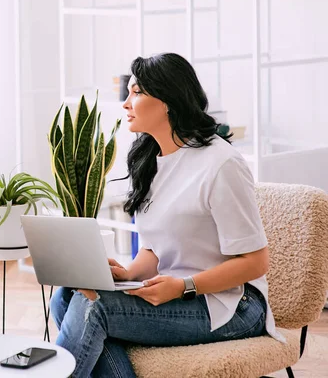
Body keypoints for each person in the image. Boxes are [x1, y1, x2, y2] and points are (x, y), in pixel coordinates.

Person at [50, 53, 284, 378]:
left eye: (137, 92)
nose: (126, 103)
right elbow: (155, 250)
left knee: (96, 308)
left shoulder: (221, 165)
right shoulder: (150, 159)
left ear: (168, 102)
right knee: (65, 296)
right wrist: (127, 274)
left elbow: (255, 262)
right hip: (177, 293)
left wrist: (183, 286)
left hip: (231, 304)